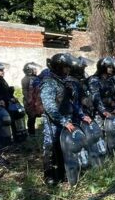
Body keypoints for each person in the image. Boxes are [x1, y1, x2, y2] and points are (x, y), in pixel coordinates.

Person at [40, 53, 92, 185]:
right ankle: (50, 175)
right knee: (51, 147)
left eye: (68, 68)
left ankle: (66, 172)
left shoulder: (66, 82)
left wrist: (81, 115)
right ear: (58, 67)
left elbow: (72, 103)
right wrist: (63, 121)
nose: (68, 70)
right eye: (65, 68)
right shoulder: (48, 83)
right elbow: (49, 107)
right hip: (53, 123)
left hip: (68, 119)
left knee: (66, 147)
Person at [21, 62, 41, 135]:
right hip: (30, 102)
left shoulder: (36, 78)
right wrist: (29, 101)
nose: (36, 70)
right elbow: (25, 91)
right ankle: (31, 132)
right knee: (32, 117)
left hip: (37, 101)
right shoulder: (25, 79)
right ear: (29, 70)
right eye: (34, 69)